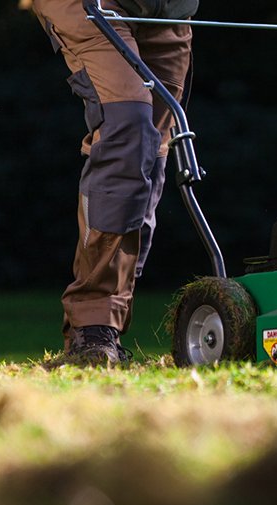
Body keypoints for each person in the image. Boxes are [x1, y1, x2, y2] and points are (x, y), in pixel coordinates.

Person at [27, 0, 195, 364]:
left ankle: (106, 328)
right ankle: (92, 327)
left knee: (150, 155)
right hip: (93, 4)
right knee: (129, 130)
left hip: (169, 12)